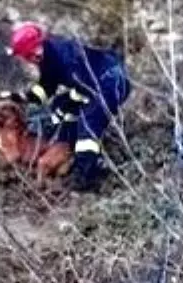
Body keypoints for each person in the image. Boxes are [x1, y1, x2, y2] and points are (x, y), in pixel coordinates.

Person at [7, 21, 129, 192]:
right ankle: (67, 156)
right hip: (95, 83)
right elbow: (47, 86)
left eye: (25, 57)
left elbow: (85, 85)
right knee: (62, 108)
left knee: (88, 122)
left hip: (111, 81)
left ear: (32, 51)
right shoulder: (48, 57)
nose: (26, 62)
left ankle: (85, 176)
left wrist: (69, 102)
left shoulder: (66, 56)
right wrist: (22, 98)